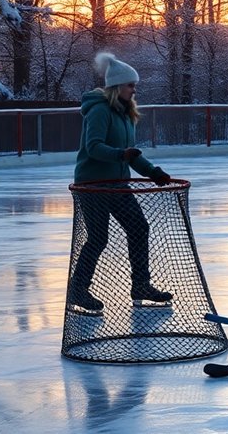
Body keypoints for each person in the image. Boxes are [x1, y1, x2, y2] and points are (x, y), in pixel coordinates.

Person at [68, 52, 173, 315]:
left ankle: (141, 286)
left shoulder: (126, 114)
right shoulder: (100, 110)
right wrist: (120, 155)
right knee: (98, 238)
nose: (134, 89)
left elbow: (129, 153)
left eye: (134, 85)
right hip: (93, 185)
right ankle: (78, 289)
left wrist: (153, 172)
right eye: (130, 85)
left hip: (117, 184)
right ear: (116, 86)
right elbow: (94, 148)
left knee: (138, 228)